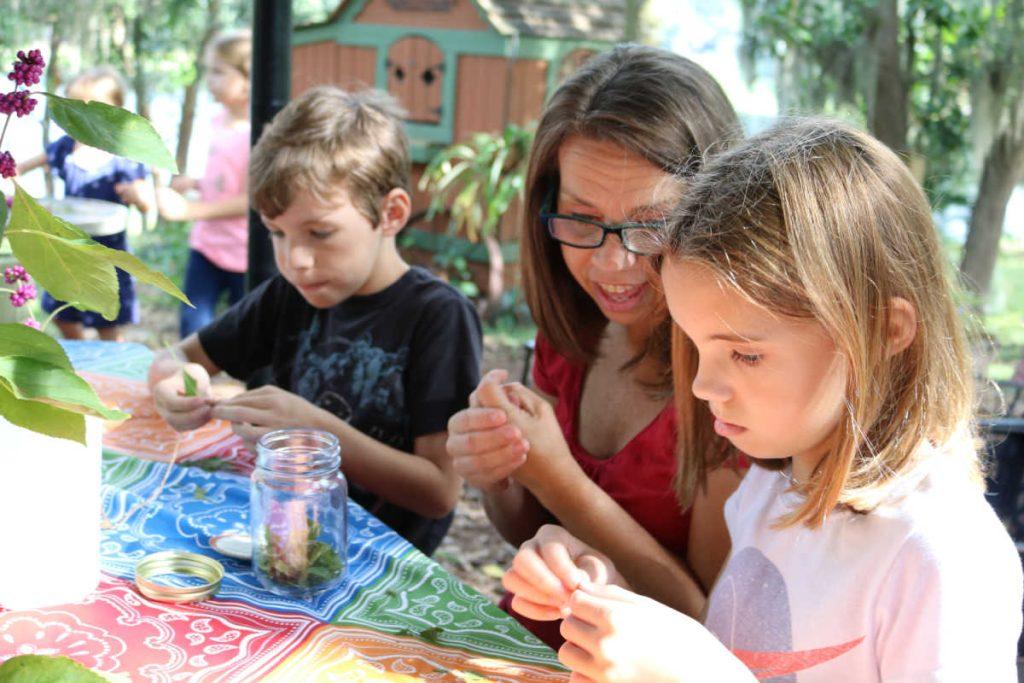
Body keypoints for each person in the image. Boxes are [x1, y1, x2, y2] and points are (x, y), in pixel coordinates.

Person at [504, 119, 1024, 682]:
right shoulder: (770, 489)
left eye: (745, 355)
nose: (702, 387)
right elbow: (744, 656)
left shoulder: (940, 553)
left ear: (882, 331)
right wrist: (606, 595)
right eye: (697, 347)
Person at [444, 44, 745, 646]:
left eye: (652, 223)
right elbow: (528, 529)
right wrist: (499, 472)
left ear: (715, 214)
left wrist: (560, 481)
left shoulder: (732, 381)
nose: (613, 262)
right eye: (581, 220)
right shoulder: (570, 337)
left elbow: (709, 624)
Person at [148, 86, 483, 556]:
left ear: (391, 213)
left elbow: (439, 492)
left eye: (320, 233)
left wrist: (314, 433)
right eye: (276, 234)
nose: (295, 260)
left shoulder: (439, 315)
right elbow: (176, 357)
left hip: (381, 568)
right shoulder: (289, 295)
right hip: (284, 544)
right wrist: (180, 382)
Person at [17, 67, 150, 341]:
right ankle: (80, 359)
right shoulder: (66, 147)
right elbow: (26, 165)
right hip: (68, 247)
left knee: (107, 323)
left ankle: (112, 366)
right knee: (63, 314)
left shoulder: (122, 153)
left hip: (107, 252)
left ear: (116, 111)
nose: (83, 117)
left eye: (94, 109)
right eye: (75, 109)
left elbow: (145, 202)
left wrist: (134, 194)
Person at [156, 29, 252, 339]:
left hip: (243, 251)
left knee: (249, 329)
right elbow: (227, 179)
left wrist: (189, 210)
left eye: (219, 72)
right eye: (209, 71)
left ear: (249, 78)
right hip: (207, 245)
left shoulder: (259, 131)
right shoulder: (218, 120)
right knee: (193, 322)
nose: (210, 80)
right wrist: (197, 183)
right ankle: (190, 382)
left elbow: (249, 199)